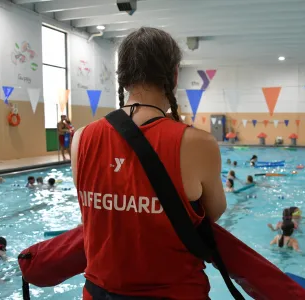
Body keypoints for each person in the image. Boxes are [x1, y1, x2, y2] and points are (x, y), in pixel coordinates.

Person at [70, 27, 227, 300]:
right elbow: (213, 212)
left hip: (98, 293)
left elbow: (98, 215)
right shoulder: (198, 143)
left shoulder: (81, 138)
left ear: (122, 77)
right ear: (175, 75)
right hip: (176, 292)